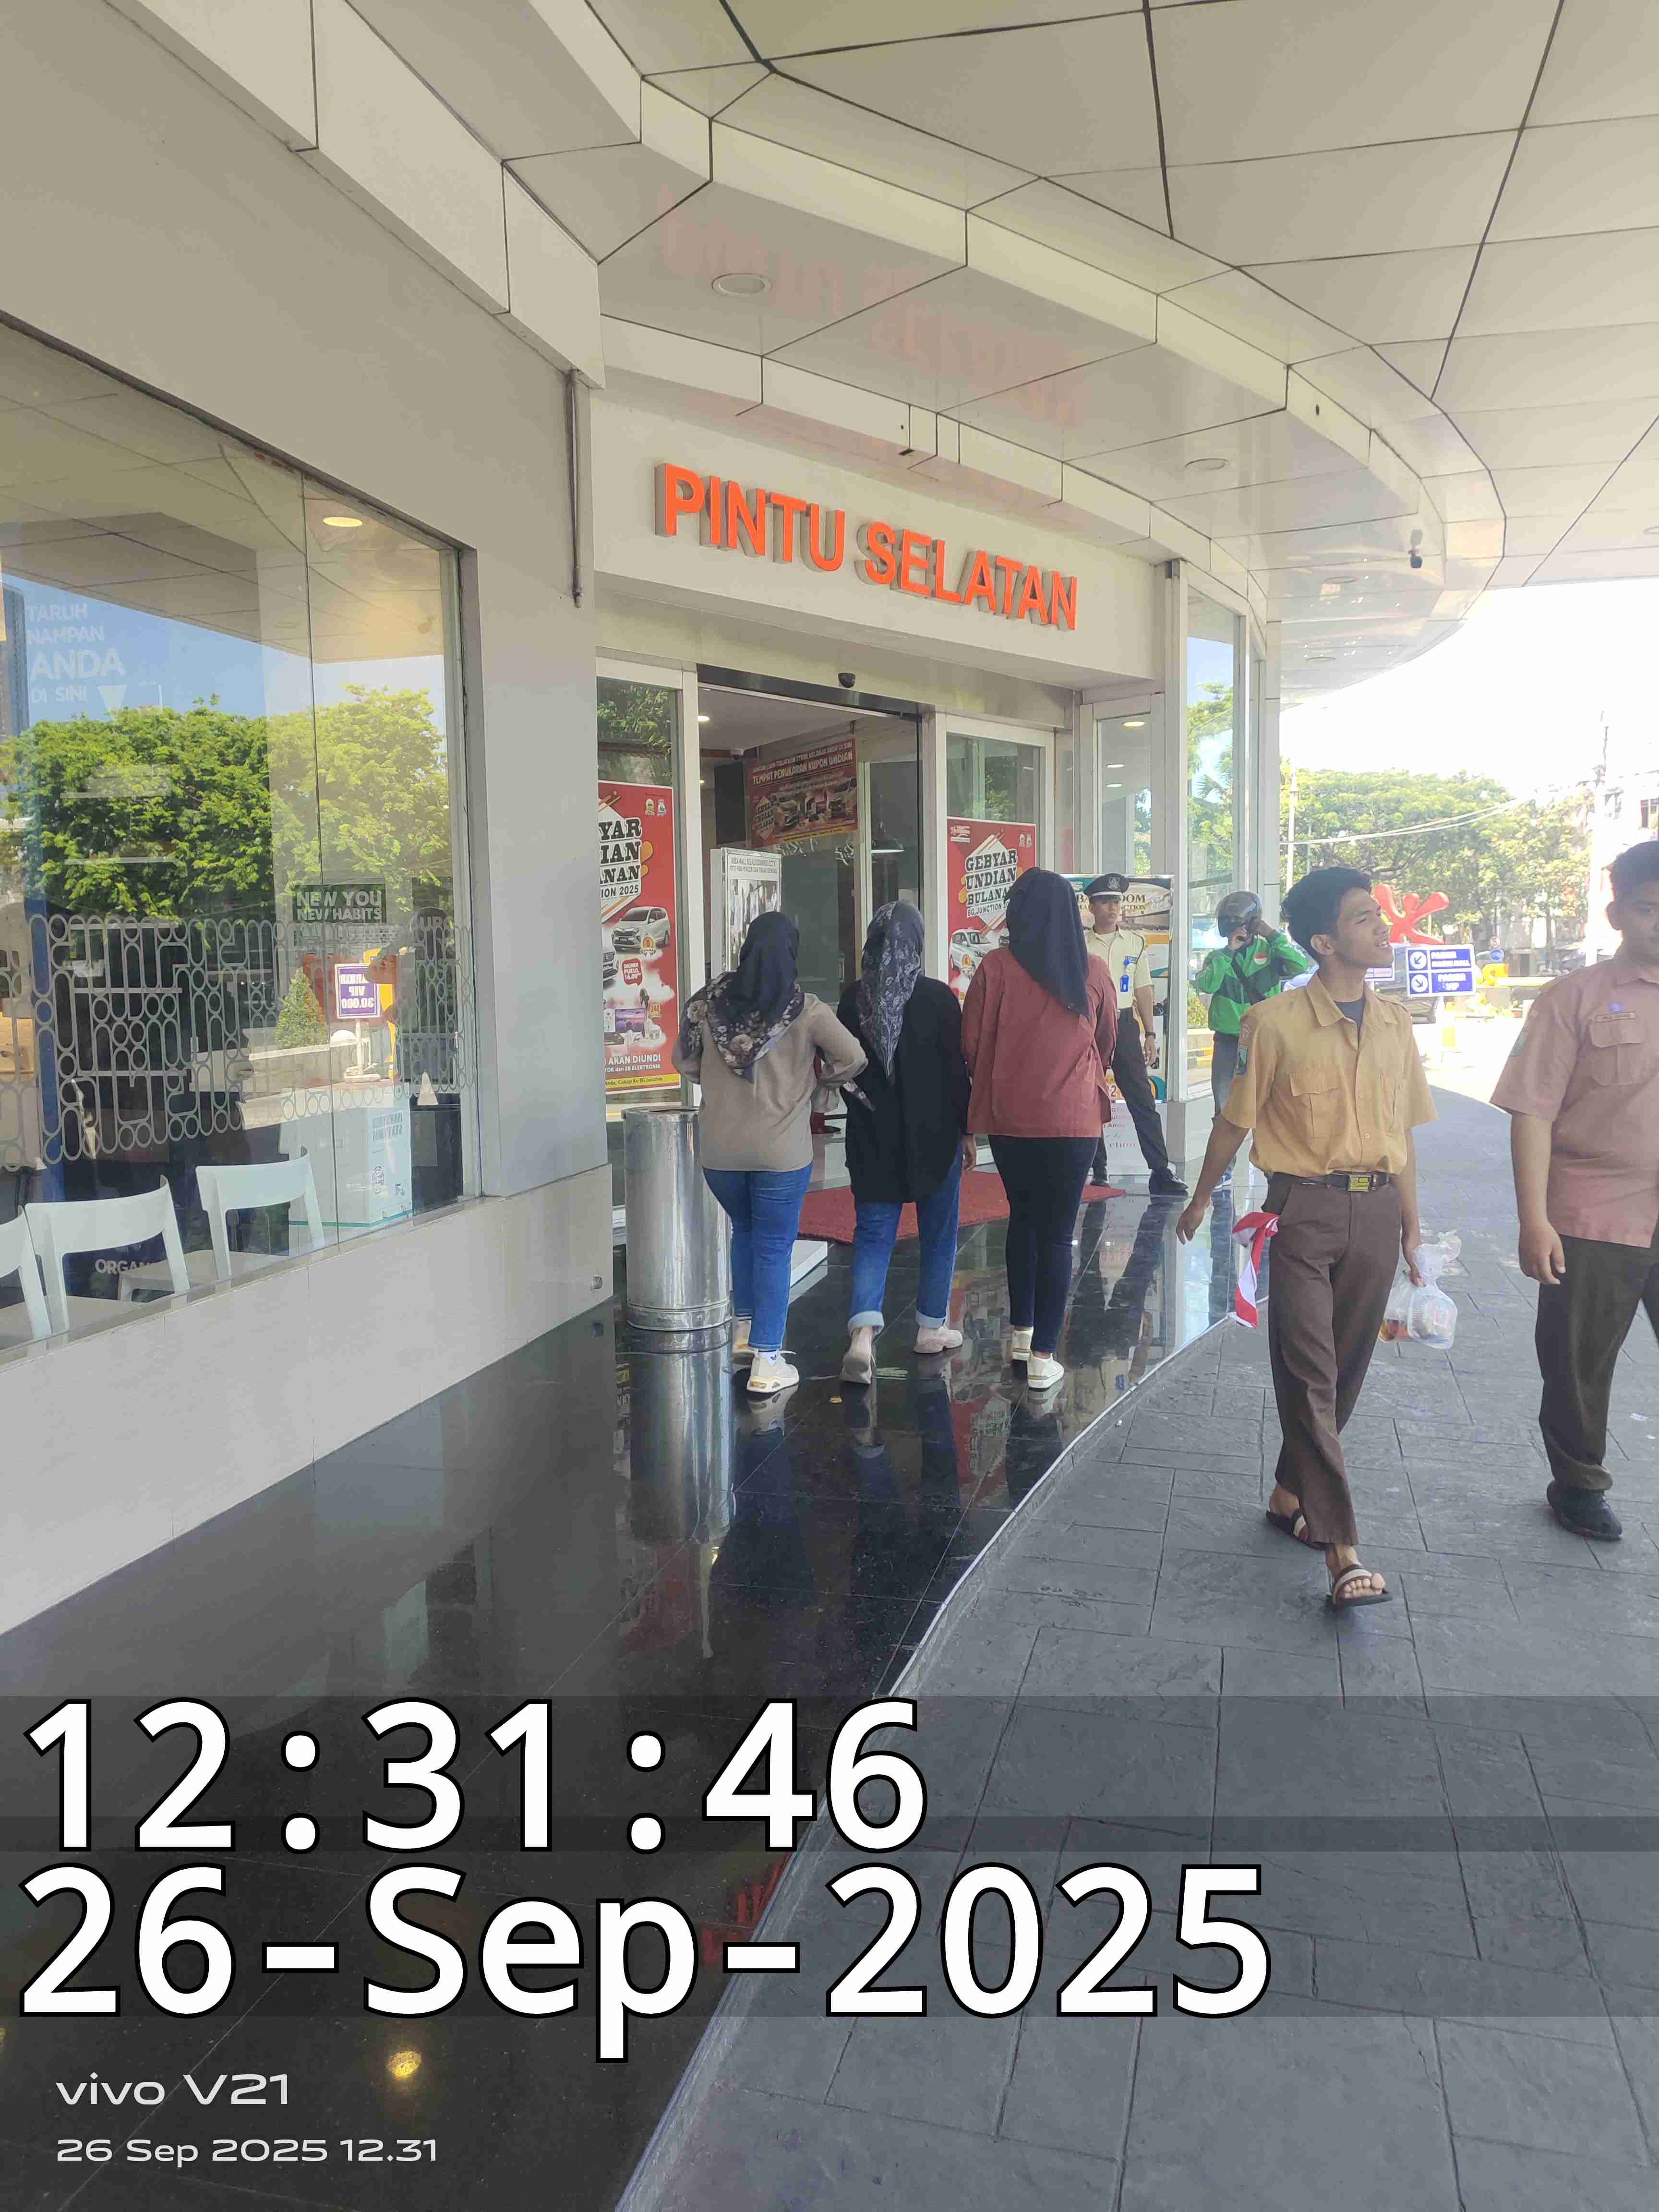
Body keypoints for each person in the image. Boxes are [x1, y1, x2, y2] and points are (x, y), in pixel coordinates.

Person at [1176, 867, 1436, 1611]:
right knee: (1309, 1373)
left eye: (1378, 914)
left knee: (1345, 1374)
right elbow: (1235, 1120)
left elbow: (1403, 1136)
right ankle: (1342, 1550)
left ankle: (1289, 1493)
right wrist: (1202, 1197)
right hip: (1301, 1215)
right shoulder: (1275, 1024)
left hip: (1377, 1214)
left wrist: (1413, 1229)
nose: (1381, 927)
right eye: (1363, 918)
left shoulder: (1396, 1024)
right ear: (1324, 942)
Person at [1491, 839, 1659, 1541]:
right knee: (1577, 1362)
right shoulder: (1573, 998)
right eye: (1648, 909)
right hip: (1595, 1213)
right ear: (1617, 914)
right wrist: (1534, 1221)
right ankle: (1579, 1484)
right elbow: (1532, 1111)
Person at [674, 911, 865, 1397]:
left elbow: (684, 1062)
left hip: (719, 1152)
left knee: (744, 1232)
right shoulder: (807, 1009)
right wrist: (819, 1081)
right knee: (776, 1247)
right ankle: (768, 1358)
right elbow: (854, 1057)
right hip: (782, 1152)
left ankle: (744, 1333)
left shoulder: (707, 1003)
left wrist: (716, 1081)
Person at [962, 868, 1117, 1393]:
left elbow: (971, 1043)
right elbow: (1107, 1040)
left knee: (1023, 1220)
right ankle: (1044, 1356)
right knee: (1057, 1232)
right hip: (1075, 1121)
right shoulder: (1092, 969)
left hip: (1010, 1118)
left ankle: (1021, 1335)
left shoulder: (995, 968)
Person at [835, 902, 974, 1386]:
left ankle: (862, 1336)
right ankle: (931, 1328)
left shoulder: (852, 1000)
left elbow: (843, 1071)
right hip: (935, 1137)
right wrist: (968, 1130)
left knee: (874, 1235)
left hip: (873, 1137)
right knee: (939, 1231)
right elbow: (956, 1075)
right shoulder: (937, 998)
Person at [1082, 872, 1187, 1197]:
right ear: (1092, 906)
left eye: (1116, 902)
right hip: (1089, 1024)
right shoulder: (1079, 944)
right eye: (1105, 902)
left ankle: (1160, 1170)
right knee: (1089, 1097)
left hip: (1125, 1023)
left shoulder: (1135, 942)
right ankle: (1099, 1170)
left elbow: (1143, 988)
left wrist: (1151, 1033)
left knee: (1142, 1098)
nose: (1112, 908)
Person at [1193, 890, 1312, 1112]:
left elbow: (1300, 966)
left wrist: (1273, 935)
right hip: (1228, 1040)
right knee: (1224, 1106)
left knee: (1269, 1105)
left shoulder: (1271, 951)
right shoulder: (1218, 958)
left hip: (1264, 1038)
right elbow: (1207, 985)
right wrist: (1229, 951)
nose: (1236, 932)